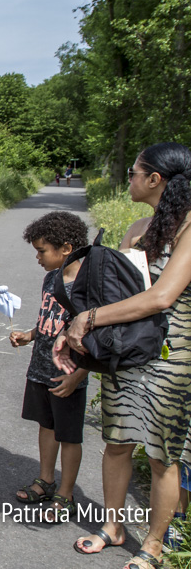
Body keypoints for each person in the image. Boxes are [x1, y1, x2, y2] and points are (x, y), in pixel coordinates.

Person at [54, 142, 191, 568]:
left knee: (160, 454)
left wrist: (89, 319)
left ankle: (153, 544)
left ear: (155, 180)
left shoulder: (189, 230)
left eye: (134, 172)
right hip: (127, 354)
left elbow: (162, 297)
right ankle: (113, 526)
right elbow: (113, 297)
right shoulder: (137, 228)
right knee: (116, 443)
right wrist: (73, 333)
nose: (128, 178)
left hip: (171, 356)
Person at [10, 211, 89, 524]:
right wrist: (30, 334)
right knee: (46, 425)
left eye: (42, 251)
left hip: (68, 375)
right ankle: (45, 480)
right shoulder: (51, 278)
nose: (38, 258)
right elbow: (49, 319)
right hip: (40, 368)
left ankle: (65, 494)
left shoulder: (85, 286)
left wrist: (78, 376)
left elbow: (94, 340)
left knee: (69, 436)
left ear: (66, 248)